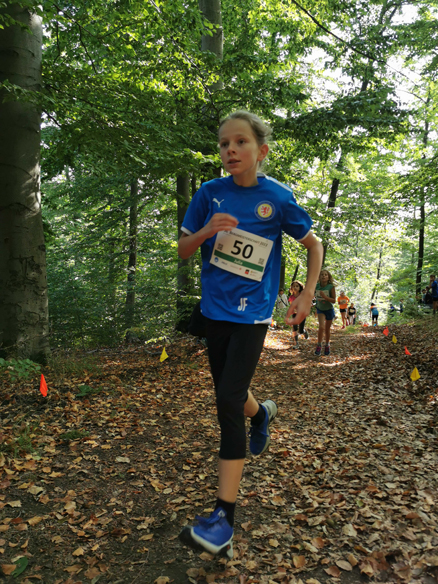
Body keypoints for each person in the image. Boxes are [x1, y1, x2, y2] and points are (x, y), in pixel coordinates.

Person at [177, 110, 323, 558]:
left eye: (240, 142)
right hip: (214, 312)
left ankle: (223, 520)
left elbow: (313, 244)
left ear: (261, 151)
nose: (230, 150)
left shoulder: (277, 198)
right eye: (224, 144)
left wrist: (306, 295)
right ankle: (261, 416)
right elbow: (183, 250)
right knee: (231, 391)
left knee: (226, 400)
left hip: (253, 315)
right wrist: (207, 230)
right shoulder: (209, 193)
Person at [314, 269, 336, 355]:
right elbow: (312, 295)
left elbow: (334, 300)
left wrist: (325, 297)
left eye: (325, 275)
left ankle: (327, 345)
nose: (323, 276)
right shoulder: (316, 286)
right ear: (319, 277)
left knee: (327, 329)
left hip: (329, 309)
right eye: (322, 274)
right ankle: (319, 345)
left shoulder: (331, 287)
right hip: (320, 309)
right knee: (321, 327)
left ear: (328, 277)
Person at [289, 280, 309, 349]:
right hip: (294, 314)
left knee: (300, 330)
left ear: (300, 288)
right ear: (291, 288)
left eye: (297, 286)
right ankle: (296, 343)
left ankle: (304, 332)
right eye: (293, 286)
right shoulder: (291, 297)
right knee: (294, 328)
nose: (295, 287)